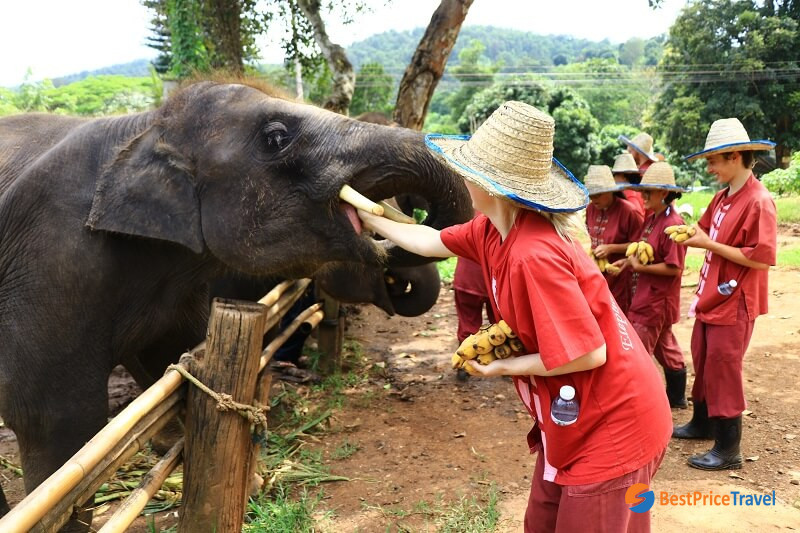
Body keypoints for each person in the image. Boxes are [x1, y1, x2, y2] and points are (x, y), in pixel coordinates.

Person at [358, 101, 671, 532]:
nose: (462, 177)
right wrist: (367, 216)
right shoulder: (493, 229)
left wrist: (503, 367)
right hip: (571, 420)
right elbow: (430, 241)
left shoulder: (532, 254)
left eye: (470, 170)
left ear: (494, 185)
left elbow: (589, 353)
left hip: (612, 427)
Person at [672, 118, 777, 471]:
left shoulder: (759, 201)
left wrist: (708, 244)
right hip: (711, 293)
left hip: (736, 298)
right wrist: (688, 233)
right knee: (703, 359)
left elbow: (760, 259)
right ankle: (703, 422)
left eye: (713, 161)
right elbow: (703, 229)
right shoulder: (722, 196)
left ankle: (728, 448)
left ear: (734, 157)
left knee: (723, 366)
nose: (710, 168)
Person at [614, 162, 688, 408]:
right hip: (647, 296)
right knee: (665, 346)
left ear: (664, 194)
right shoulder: (653, 219)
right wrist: (626, 263)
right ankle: (676, 398)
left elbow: (675, 268)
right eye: (642, 191)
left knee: (638, 353)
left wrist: (640, 268)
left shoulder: (672, 224)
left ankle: (639, 404)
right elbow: (643, 253)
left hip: (655, 301)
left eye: (649, 191)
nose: (642, 196)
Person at [584, 164, 643, 314]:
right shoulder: (590, 209)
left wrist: (612, 248)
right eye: (591, 194)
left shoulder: (628, 211)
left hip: (621, 275)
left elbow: (641, 244)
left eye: (598, 194)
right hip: (597, 274)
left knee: (619, 317)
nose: (593, 198)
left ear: (610, 192)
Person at [612, 152, 646, 217]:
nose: (613, 178)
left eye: (615, 175)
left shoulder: (629, 195)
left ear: (623, 177)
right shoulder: (637, 192)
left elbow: (637, 216)